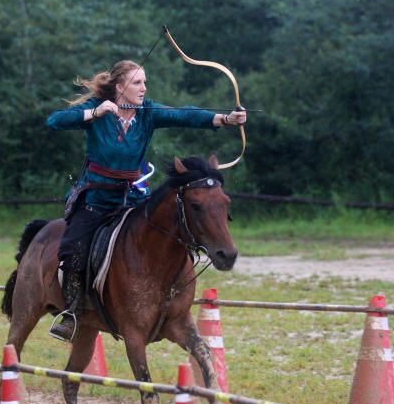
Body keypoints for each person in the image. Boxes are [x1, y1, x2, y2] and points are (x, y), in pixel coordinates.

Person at [45, 59, 246, 341]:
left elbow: (184, 116)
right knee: (72, 250)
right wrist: (94, 111)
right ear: (120, 86)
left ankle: (162, 302)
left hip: (133, 197)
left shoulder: (147, 113)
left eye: (145, 82)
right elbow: (54, 121)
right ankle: (72, 313)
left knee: (169, 235)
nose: (143, 88)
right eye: (137, 82)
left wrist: (224, 119)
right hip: (96, 198)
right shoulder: (99, 110)